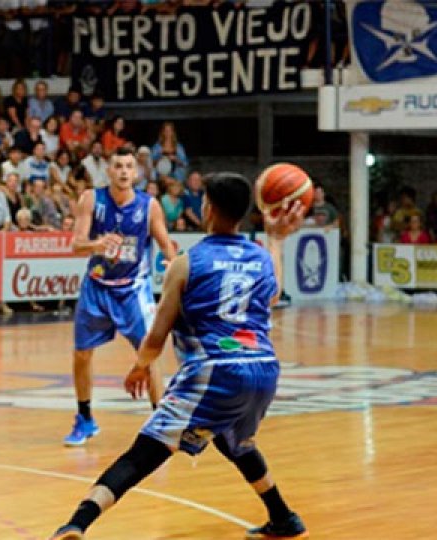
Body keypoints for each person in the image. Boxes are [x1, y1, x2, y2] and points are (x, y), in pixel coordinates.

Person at [50, 173, 308, 540]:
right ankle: (284, 518)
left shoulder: (187, 263)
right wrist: (278, 239)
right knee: (234, 440)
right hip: (263, 368)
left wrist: (140, 366)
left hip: (215, 371)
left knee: (145, 452)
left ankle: (76, 523)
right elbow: (272, 296)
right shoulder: (262, 258)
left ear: (208, 209)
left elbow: (157, 335)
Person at [64, 147, 177, 446]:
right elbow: (76, 245)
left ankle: (159, 421)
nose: (124, 171)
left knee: (149, 353)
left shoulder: (149, 206)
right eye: (118, 166)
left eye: (129, 166)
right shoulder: (91, 199)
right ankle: (85, 418)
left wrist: (174, 267)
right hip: (97, 287)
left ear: (136, 172)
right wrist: (98, 245)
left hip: (133, 289)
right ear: (109, 171)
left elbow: (167, 245)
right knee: (81, 354)